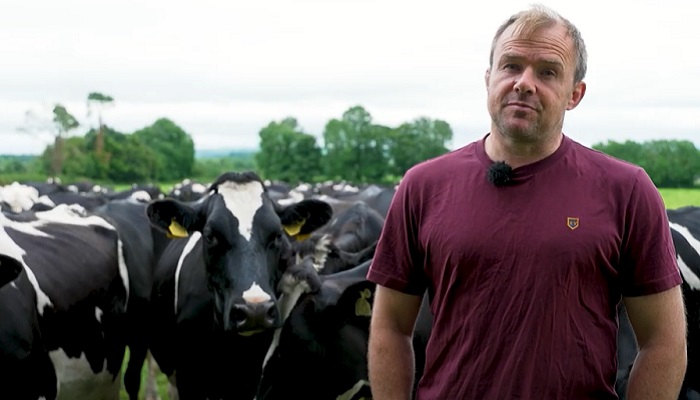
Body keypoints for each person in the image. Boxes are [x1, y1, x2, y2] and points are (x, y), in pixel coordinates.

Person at [366, 4, 687, 400]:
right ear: (488, 79)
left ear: (575, 94)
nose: (524, 83)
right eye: (511, 66)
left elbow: (664, 343)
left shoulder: (627, 190)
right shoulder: (423, 186)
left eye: (548, 71)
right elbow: (390, 327)